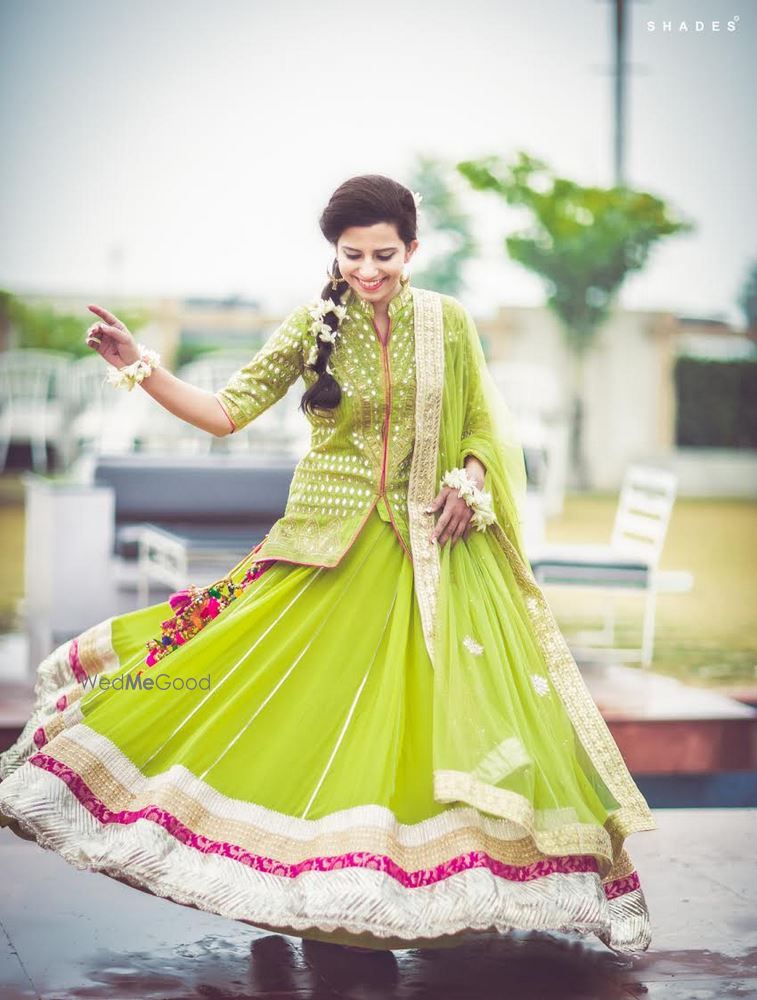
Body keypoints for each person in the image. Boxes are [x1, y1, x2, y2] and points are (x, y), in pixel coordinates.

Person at [0, 174, 656, 956]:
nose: (369, 270)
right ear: (334, 252)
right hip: (320, 551)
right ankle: (296, 891)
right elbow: (224, 413)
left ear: (413, 250)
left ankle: (410, 889)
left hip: (429, 553)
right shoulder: (313, 323)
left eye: (385, 255)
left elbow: (482, 420)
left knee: (423, 720)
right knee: (278, 703)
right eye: (353, 255)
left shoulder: (447, 323)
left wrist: (471, 476)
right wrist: (140, 365)